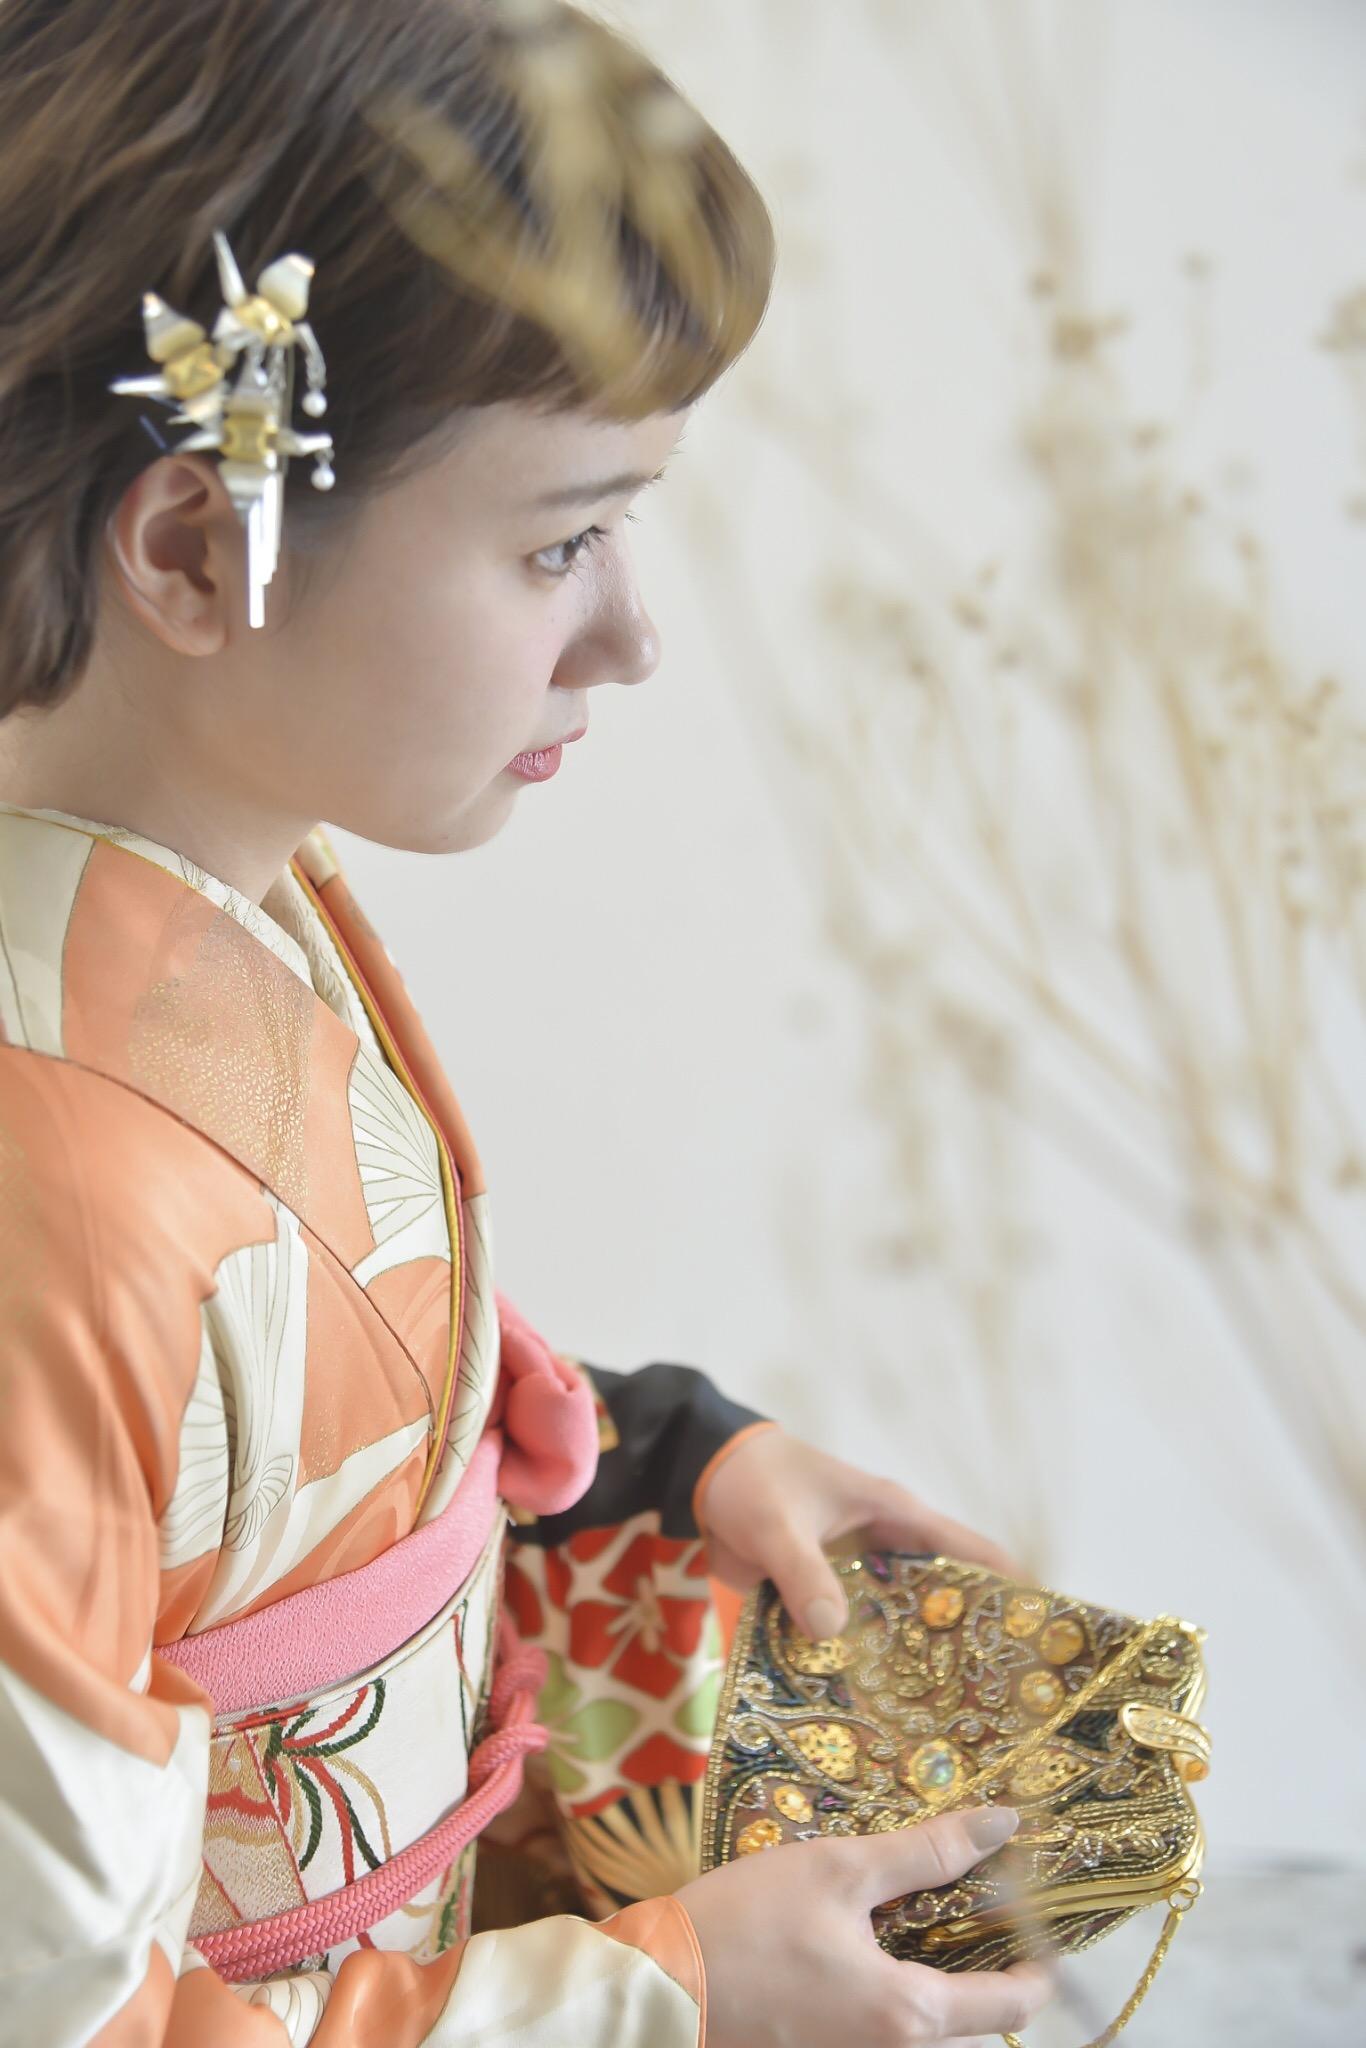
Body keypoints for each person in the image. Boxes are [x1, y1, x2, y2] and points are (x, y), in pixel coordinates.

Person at [0, 2, 1056, 2043]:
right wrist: (663, 1996)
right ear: (199, 548)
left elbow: (267, 1435)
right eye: (561, 539)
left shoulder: (224, 895)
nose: (631, 636)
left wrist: (654, 1457)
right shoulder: (39, 1188)